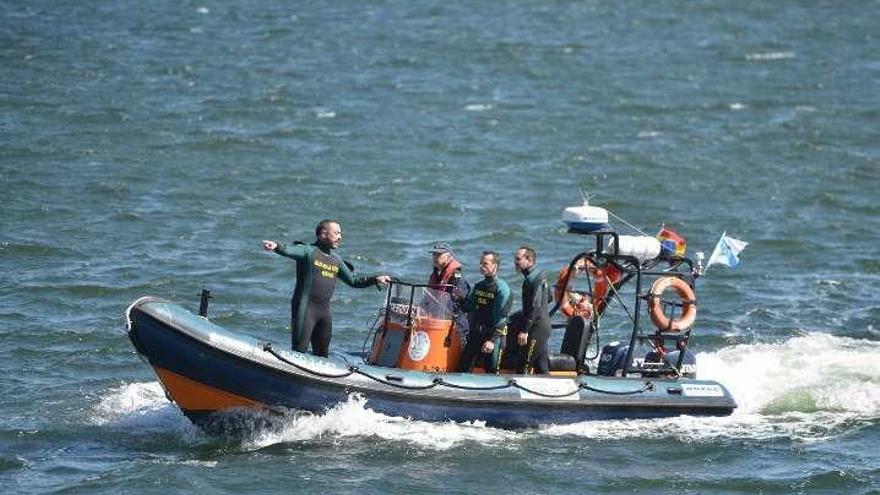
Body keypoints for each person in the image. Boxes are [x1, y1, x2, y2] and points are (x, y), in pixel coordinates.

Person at [262, 220, 391, 357]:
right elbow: (290, 250)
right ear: (323, 234)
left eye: (340, 234)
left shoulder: (336, 261)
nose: (340, 237)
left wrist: (375, 279)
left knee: (323, 355)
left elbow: (353, 281)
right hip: (306, 309)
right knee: (299, 351)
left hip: (324, 313)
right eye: (336, 233)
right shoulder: (308, 251)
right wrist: (276, 246)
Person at [456, 251, 511, 373]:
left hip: (495, 335)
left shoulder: (502, 289)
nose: (482, 266)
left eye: (485, 263)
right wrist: (458, 297)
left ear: (495, 266)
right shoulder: (478, 286)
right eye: (481, 263)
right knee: (463, 366)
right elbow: (468, 307)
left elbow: (503, 320)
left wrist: (491, 341)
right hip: (479, 332)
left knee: (491, 370)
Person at [512, 246, 553, 374]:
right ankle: (550, 392)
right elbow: (549, 298)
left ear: (529, 260)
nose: (515, 262)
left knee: (523, 365)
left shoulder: (531, 279)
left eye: (518, 259)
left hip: (536, 329)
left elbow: (535, 306)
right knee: (541, 367)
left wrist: (525, 330)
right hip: (543, 326)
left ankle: (515, 393)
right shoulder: (541, 276)